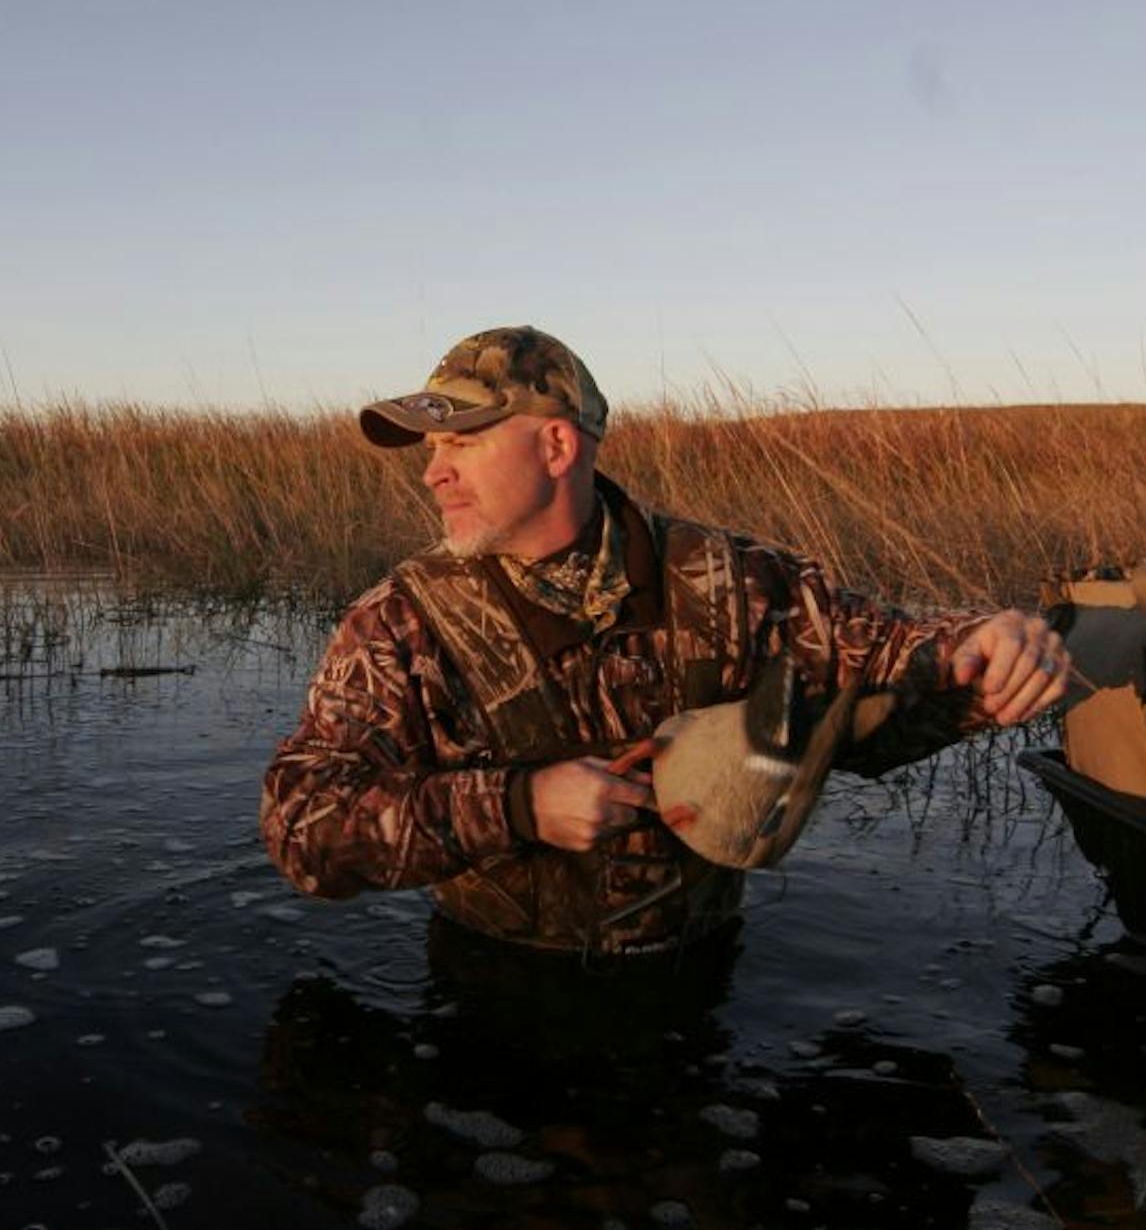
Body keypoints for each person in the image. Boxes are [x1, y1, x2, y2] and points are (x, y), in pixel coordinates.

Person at [259, 326, 1069, 957]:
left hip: (702, 984)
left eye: (461, 442)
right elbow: (302, 827)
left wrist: (990, 643)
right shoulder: (399, 623)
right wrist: (519, 805)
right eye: (431, 449)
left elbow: (887, 653)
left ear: (556, 445)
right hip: (496, 995)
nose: (433, 472)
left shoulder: (739, 579)